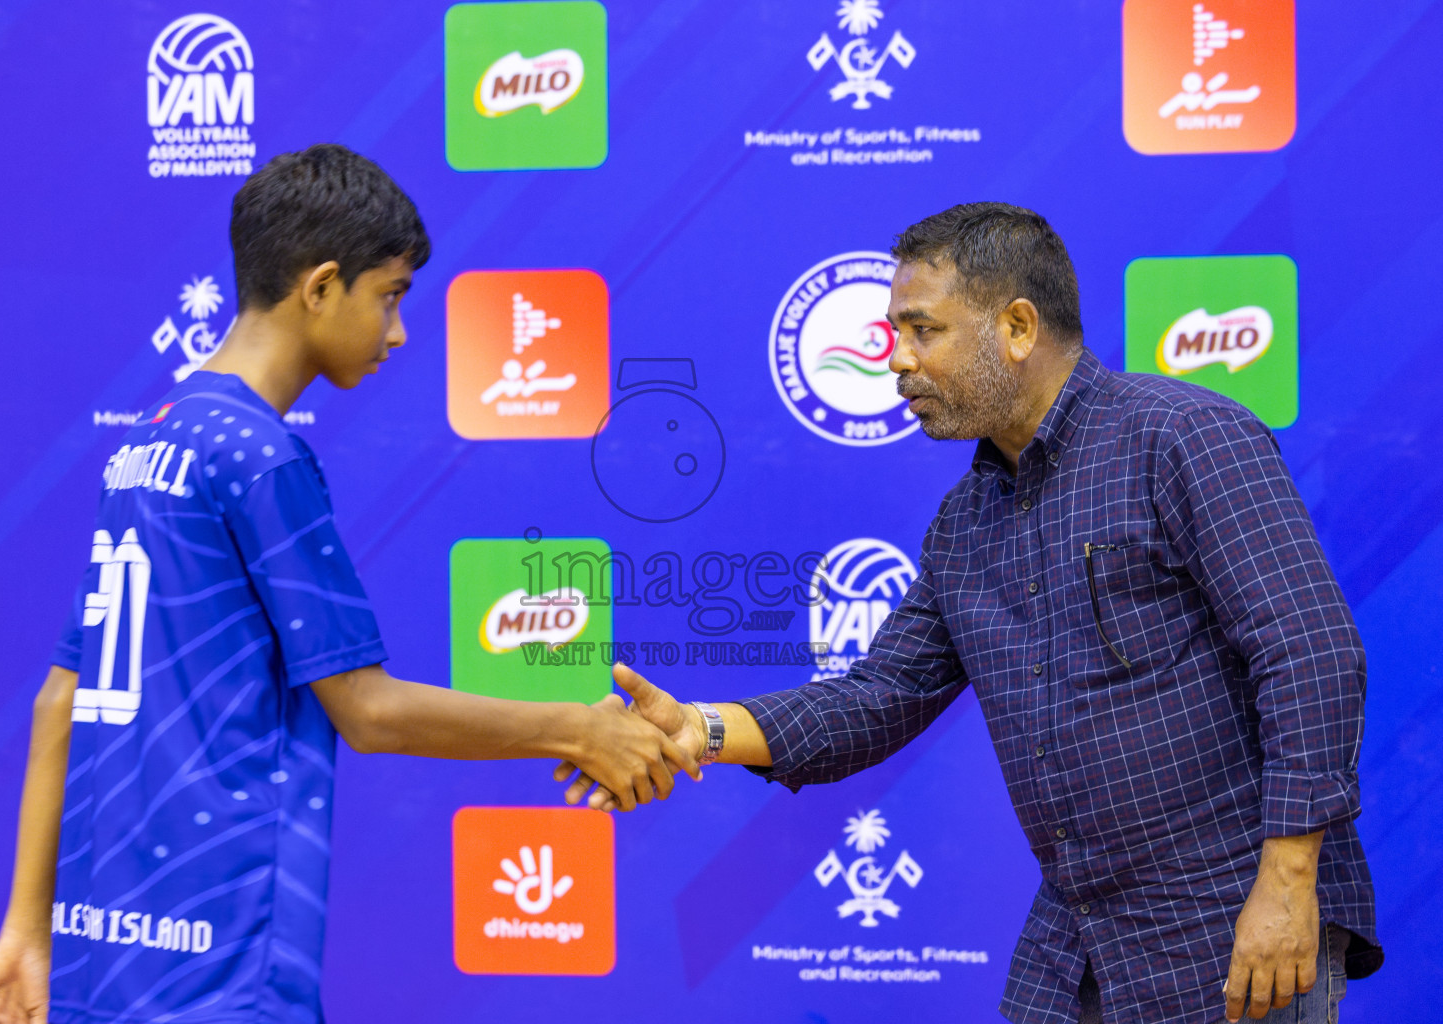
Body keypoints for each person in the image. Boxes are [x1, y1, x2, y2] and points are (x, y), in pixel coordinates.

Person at [563, 203, 1381, 1023]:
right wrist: (700, 729)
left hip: (1235, 921)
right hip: (1081, 938)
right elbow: (876, 698)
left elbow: (1310, 652)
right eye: (894, 336)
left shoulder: (1183, 437)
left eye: (924, 331)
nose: (898, 363)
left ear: (1018, 326)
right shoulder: (965, 523)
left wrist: (1286, 881)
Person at [0, 144, 697, 1024]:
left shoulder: (146, 446)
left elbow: (60, 698)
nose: (398, 332)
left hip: (107, 952)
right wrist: (578, 730)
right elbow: (368, 710)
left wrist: (27, 934)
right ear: (318, 288)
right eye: (388, 297)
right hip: (222, 958)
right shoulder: (260, 459)